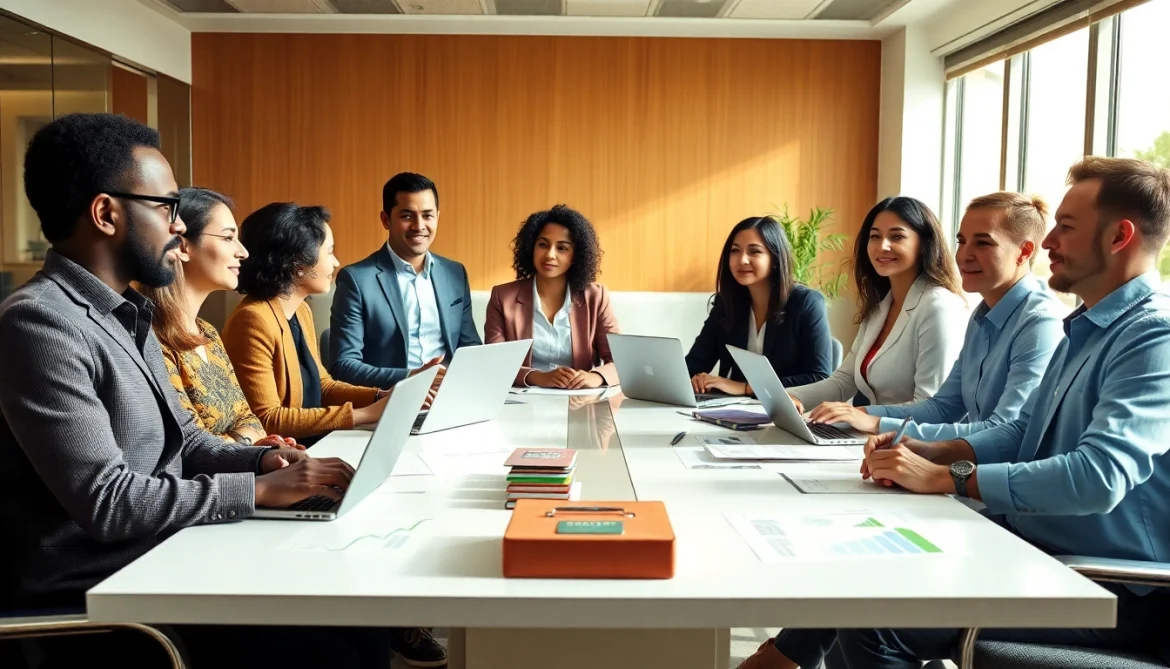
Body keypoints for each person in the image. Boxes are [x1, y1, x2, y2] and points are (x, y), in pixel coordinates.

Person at [0, 112, 386, 668]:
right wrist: (256, 493)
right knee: (335, 648)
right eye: (166, 208)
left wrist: (264, 461)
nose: (179, 228)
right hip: (115, 595)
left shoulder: (126, 314)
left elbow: (184, 441)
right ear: (106, 213)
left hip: (170, 553)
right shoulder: (40, 324)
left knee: (360, 618)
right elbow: (108, 502)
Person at [835, 157, 1170, 669]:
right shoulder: (1086, 325)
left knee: (875, 622)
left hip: (1110, 587)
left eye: (1067, 226)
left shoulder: (1152, 336)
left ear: (1119, 236)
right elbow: (1023, 432)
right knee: (862, 563)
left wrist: (952, 476)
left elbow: (1099, 476)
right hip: (1034, 548)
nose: (1050, 239)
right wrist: (927, 449)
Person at [804, 192, 1067, 440]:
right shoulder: (983, 314)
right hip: (972, 463)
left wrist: (877, 423)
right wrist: (862, 414)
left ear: (1024, 252)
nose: (964, 255)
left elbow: (1004, 430)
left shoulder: (1040, 322)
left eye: (983, 242)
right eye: (962, 241)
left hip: (995, 474)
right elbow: (943, 408)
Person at [137, 187, 298, 448]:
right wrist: (250, 445)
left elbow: (251, 419)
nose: (243, 252)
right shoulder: (152, 339)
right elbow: (192, 447)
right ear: (182, 246)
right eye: (227, 238)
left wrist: (253, 444)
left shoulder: (208, 332)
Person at [221, 203, 391, 445]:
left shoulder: (301, 310)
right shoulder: (252, 320)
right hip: (288, 456)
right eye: (330, 252)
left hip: (317, 443)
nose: (336, 262)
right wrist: (364, 415)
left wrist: (379, 397)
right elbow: (266, 419)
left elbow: (322, 386)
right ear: (297, 264)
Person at [787, 197, 969, 416]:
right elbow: (844, 381)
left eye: (897, 236)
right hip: (875, 436)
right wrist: (789, 396)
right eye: (875, 236)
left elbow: (932, 407)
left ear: (924, 244)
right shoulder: (882, 305)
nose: (882, 246)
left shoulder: (940, 307)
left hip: (914, 444)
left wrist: (860, 414)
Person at [329, 172, 481, 391]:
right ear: (385, 219)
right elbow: (343, 366)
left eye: (428, 215)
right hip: (390, 400)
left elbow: (470, 348)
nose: (419, 226)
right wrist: (412, 377)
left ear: (437, 217)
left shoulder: (455, 273)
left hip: (450, 396)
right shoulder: (356, 280)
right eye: (407, 216)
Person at [685, 216, 833, 395]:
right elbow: (695, 364)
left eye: (754, 251)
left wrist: (746, 388)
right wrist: (697, 379)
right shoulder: (726, 304)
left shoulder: (807, 303)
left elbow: (819, 377)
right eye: (735, 250)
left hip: (789, 411)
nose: (742, 260)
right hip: (735, 409)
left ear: (776, 259)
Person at [484, 204, 620, 388]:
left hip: (580, 401)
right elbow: (494, 361)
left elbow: (620, 360)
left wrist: (596, 377)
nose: (550, 255)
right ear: (531, 247)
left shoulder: (596, 297)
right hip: (523, 401)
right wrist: (537, 377)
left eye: (562, 248)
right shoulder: (502, 297)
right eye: (543, 245)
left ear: (575, 255)